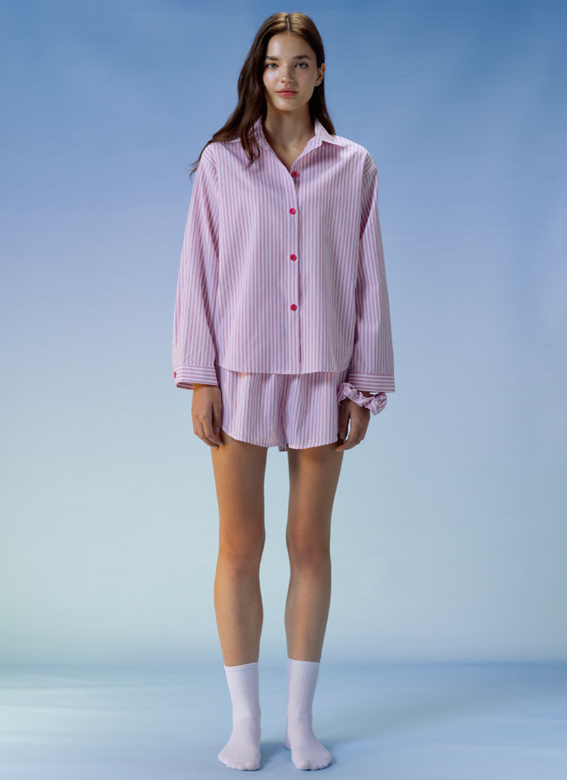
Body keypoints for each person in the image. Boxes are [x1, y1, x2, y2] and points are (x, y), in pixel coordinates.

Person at [172, 11, 395, 772]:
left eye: (301, 63)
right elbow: (197, 274)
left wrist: (363, 387)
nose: (286, 77)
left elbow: (368, 284)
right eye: (274, 63)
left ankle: (300, 722)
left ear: (320, 73)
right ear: (257, 73)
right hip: (237, 376)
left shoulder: (354, 166)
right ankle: (245, 722)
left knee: (309, 546)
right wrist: (200, 376)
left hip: (324, 378)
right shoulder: (221, 163)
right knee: (241, 546)